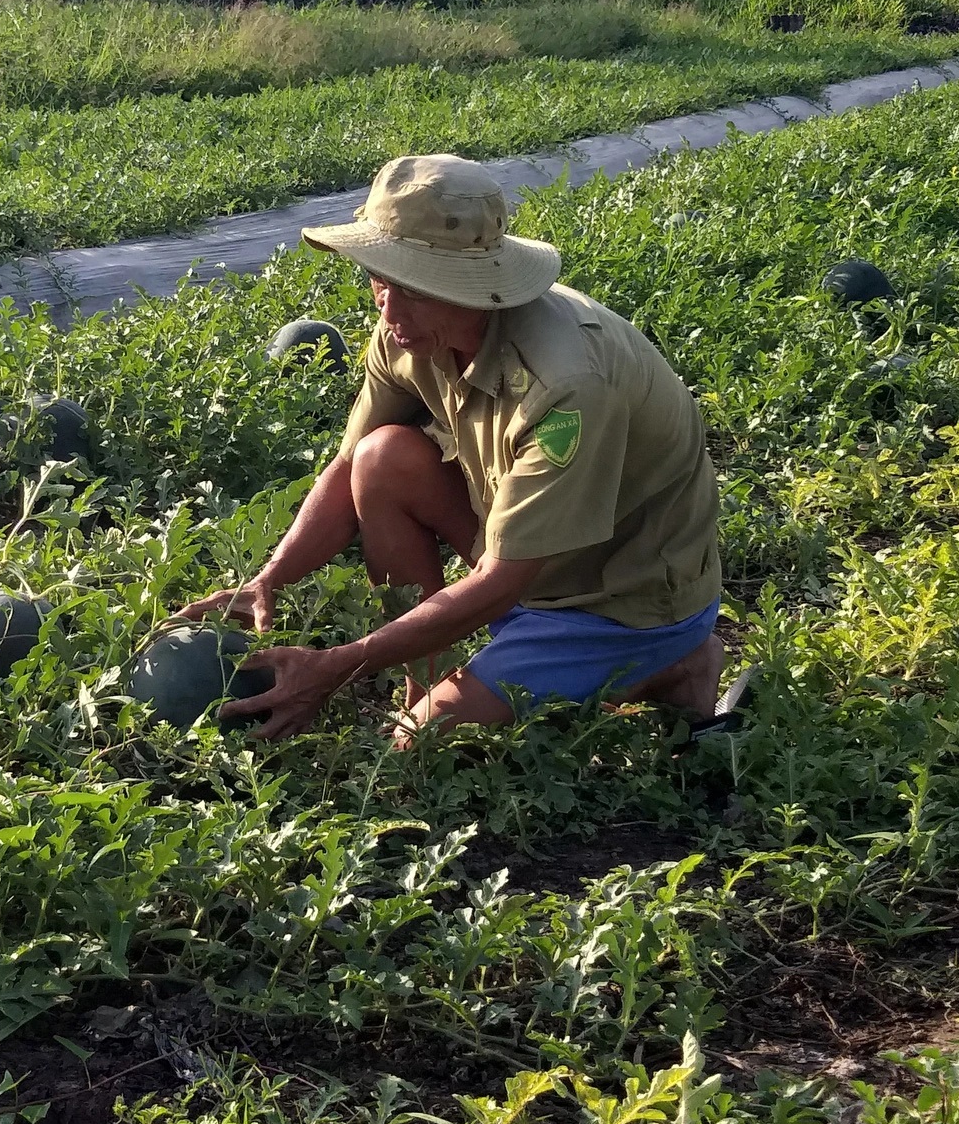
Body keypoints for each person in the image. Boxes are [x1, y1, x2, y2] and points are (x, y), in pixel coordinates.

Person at [180, 153, 733, 744]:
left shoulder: (566, 385)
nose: (389, 311)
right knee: (381, 459)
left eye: (412, 288)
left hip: (615, 601)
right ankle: (428, 680)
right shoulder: (409, 329)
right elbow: (348, 469)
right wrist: (270, 579)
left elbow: (502, 579)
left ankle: (670, 665)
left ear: (472, 288)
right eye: (380, 280)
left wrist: (341, 664)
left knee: (421, 743)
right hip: (521, 549)